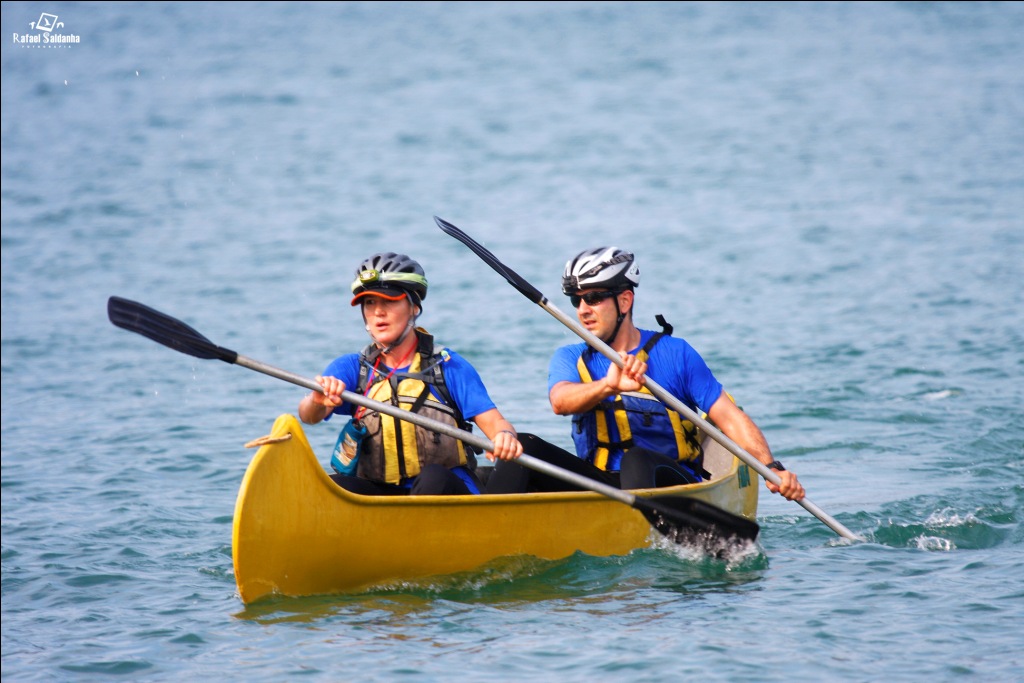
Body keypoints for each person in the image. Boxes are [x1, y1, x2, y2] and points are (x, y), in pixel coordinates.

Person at [486, 246, 805, 502]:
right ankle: (488, 532)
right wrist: (608, 386)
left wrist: (772, 468)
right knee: (524, 445)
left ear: (624, 300)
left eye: (594, 298)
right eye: (576, 300)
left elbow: (729, 418)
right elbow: (560, 400)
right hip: (603, 485)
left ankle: (644, 542)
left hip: (673, 484)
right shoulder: (571, 357)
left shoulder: (675, 353)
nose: (583, 309)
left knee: (637, 459)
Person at [299, 252, 522, 496]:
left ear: (414, 307)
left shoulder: (448, 367)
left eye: (389, 302)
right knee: (337, 486)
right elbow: (308, 416)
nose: (378, 312)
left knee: (432, 478)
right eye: (370, 303)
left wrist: (505, 436)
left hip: (446, 488)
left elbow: (496, 424)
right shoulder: (353, 368)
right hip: (383, 491)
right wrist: (316, 401)